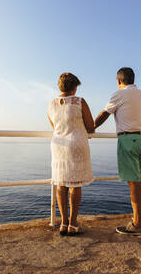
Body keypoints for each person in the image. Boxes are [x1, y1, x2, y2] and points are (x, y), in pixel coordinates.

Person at [94, 67, 141, 235]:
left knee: (133, 182)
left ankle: (138, 224)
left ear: (119, 81)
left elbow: (105, 114)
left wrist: (90, 128)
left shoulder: (119, 94)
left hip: (129, 140)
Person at [47, 72, 94, 236]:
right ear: (74, 87)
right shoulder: (79, 102)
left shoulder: (51, 104)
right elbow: (90, 126)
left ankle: (63, 223)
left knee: (61, 184)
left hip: (58, 145)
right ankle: (73, 224)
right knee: (75, 184)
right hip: (76, 144)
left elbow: (54, 126)